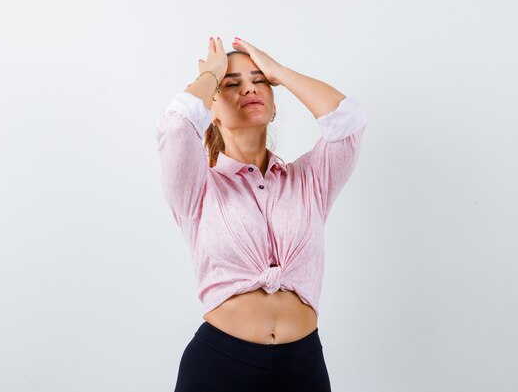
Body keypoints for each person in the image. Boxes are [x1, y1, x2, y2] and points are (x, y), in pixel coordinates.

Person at [155, 36, 368, 392]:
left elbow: (348, 120)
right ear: (211, 110)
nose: (249, 89)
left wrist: (279, 71)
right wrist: (210, 72)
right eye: (232, 84)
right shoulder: (197, 187)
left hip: (303, 367)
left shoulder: (310, 179)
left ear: (273, 103)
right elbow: (177, 127)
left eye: (259, 81)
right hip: (219, 366)